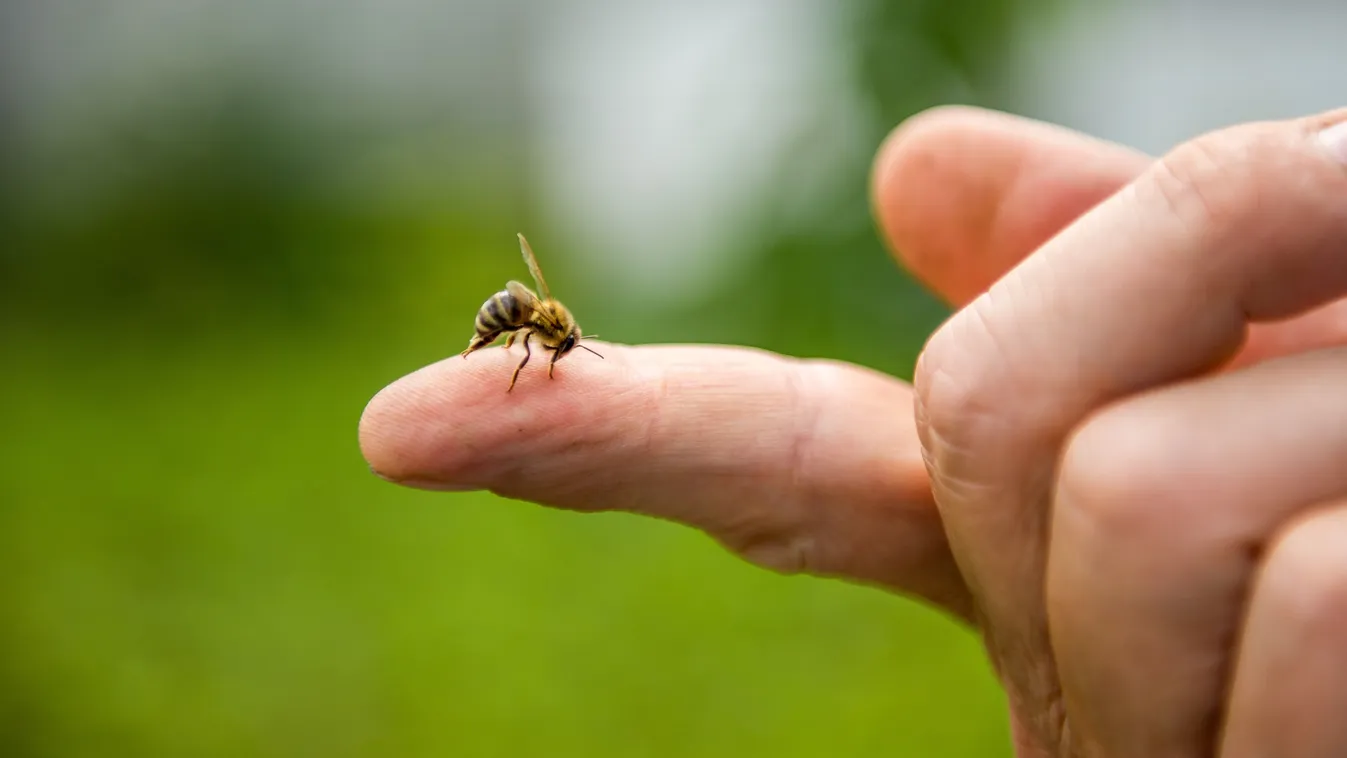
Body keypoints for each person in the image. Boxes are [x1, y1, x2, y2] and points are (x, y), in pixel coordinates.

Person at [359, 105, 1347, 757]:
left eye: (549, 341)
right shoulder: (534, 329)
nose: (549, 345)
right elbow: (526, 335)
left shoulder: (550, 331)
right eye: (550, 342)